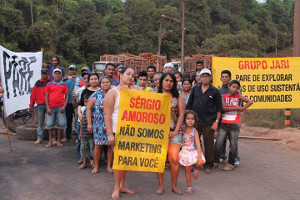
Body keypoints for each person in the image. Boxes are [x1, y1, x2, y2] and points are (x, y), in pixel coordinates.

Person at [104, 67, 141, 199]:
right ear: (120, 75)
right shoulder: (112, 92)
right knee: (119, 161)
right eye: (128, 74)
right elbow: (107, 115)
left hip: (132, 132)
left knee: (125, 161)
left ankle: (122, 185)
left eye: (133, 75)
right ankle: (116, 187)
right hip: (117, 131)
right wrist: (109, 134)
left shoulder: (135, 91)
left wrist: (134, 89)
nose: (130, 77)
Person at [187, 68, 222, 174]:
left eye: (207, 76)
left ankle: (209, 165)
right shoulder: (195, 89)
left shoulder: (214, 91)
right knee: (193, 144)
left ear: (210, 78)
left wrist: (216, 122)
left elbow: (219, 109)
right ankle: (194, 163)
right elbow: (189, 104)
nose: (205, 78)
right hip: (195, 122)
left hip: (208, 122)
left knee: (209, 145)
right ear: (200, 78)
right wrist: (188, 120)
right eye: (203, 76)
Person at [156, 72, 185, 195]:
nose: (169, 83)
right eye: (166, 80)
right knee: (160, 160)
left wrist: (176, 131)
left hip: (174, 132)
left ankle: (174, 186)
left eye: (171, 81)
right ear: (161, 82)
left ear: (174, 83)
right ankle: (161, 186)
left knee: (174, 160)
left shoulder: (178, 97)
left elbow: (182, 114)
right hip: (158, 133)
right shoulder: (154, 96)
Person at [214, 80, 253, 171]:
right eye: (233, 87)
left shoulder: (238, 96)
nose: (235, 89)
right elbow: (224, 108)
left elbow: (250, 101)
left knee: (233, 144)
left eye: (237, 88)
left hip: (235, 123)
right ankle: (215, 161)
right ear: (229, 87)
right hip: (224, 122)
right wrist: (237, 108)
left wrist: (242, 109)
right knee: (218, 143)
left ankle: (230, 163)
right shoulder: (223, 97)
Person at [87, 76, 113, 174]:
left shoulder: (114, 94)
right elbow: (88, 109)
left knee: (110, 146)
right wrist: (89, 123)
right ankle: (96, 166)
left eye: (107, 82)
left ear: (110, 83)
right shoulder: (95, 95)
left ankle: (109, 166)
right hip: (98, 125)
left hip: (111, 124)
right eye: (103, 82)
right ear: (100, 84)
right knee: (98, 146)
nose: (105, 84)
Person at [178, 110, 204, 194]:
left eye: (192, 119)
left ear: (195, 121)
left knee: (200, 162)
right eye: (188, 118)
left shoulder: (194, 131)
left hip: (193, 150)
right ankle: (189, 186)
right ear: (184, 120)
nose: (190, 120)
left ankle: (196, 169)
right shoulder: (181, 129)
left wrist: (199, 156)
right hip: (185, 152)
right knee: (187, 170)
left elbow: (198, 144)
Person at [45, 68, 68, 148]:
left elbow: (67, 96)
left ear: (61, 75)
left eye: (59, 74)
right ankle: (50, 141)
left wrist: (64, 106)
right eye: (56, 73)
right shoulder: (49, 84)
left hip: (60, 107)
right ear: (53, 75)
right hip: (51, 107)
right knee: (49, 125)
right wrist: (47, 107)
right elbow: (46, 96)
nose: (57, 75)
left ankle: (58, 141)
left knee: (60, 125)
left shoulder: (64, 84)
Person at [30, 68, 51, 144]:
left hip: (49, 105)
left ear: (48, 74)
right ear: (41, 74)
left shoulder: (51, 82)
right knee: (40, 123)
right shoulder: (38, 83)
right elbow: (33, 94)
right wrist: (31, 104)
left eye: (45, 73)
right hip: (40, 105)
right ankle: (39, 138)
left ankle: (53, 138)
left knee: (51, 122)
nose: (44, 75)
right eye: (43, 73)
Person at [73, 71, 90, 164]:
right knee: (81, 139)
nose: (87, 80)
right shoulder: (80, 90)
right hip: (83, 119)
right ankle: (81, 156)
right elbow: (76, 105)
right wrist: (79, 113)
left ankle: (93, 158)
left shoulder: (97, 90)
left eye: (89, 78)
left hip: (93, 119)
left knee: (92, 141)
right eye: (85, 78)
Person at [78, 94, 95, 169]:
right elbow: (81, 124)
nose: (87, 103)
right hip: (84, 135)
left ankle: (92, 162)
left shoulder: (94, 112)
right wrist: (80, 133)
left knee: (92, 149)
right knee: (83, 149)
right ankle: (84, 163)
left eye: (89, 102)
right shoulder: (83, 111)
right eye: (85, 102)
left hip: (92, 135)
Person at [61, 64, 77, 142]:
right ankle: (67, 136)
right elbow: (59, 86)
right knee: (68, 120)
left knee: (78, 120)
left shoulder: (79, 79)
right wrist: (63, 80)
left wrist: (76, 80)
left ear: (76, 71)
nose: (72, 71)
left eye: (73, 70)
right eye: (70, 70)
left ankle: (78, 137)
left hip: (77, 103)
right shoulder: (66, 80)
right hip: (68, 102)